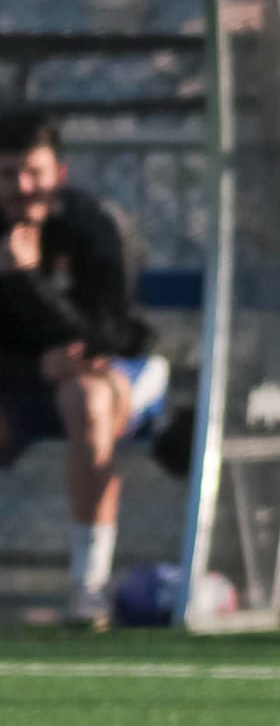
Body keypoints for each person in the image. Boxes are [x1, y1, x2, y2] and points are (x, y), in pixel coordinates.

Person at [0, 109, 170, 628]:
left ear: (59, 173)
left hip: (117, 378)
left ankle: (87, 588)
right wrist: (36, 363)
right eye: (7, 175)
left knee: (86, 399)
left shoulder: (91, 225)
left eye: (34, 172)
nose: (22, 187)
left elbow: (110, 335)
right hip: (26, 382)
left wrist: (28, 279)